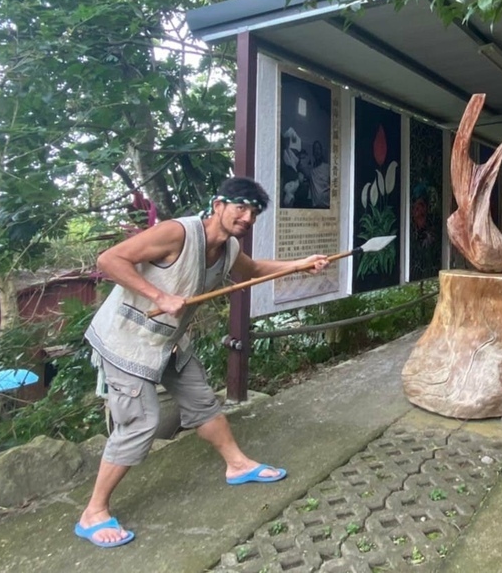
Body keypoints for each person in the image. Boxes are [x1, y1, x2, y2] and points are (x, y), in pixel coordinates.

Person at [74, 177, 328, 548]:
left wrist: (299, 265)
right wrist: (158, 293)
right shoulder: (177, 233)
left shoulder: (228, 249)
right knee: (141, 421)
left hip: (169, 344)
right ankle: (93, 512)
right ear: (218, 204)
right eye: (240, 207)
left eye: (253, 212)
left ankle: (238, 465)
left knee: (202, 402)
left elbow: (252, 271)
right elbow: (109, 259)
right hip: (126, 341)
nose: (246, 216)